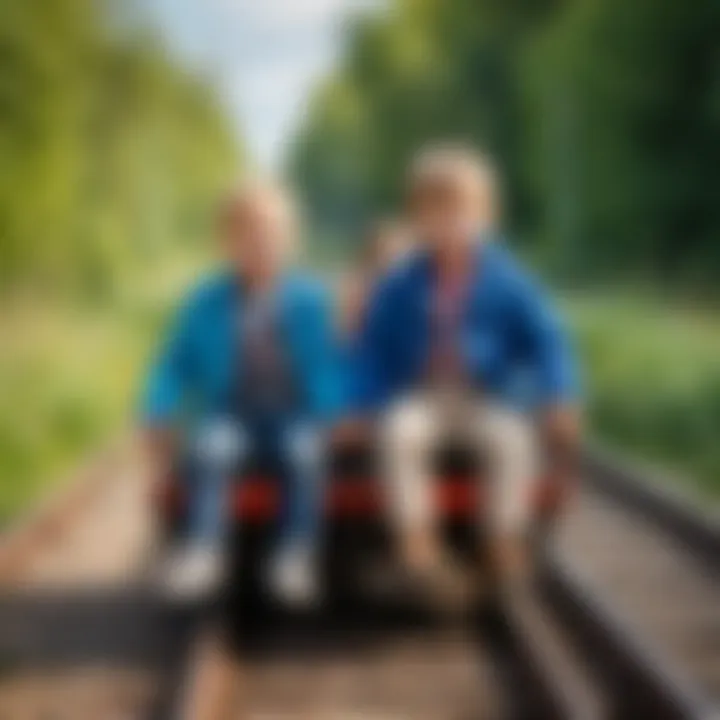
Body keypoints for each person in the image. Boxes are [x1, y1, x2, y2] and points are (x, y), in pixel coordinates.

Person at [347, 143, 581, 601]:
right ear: (417, 220)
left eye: (461, 212)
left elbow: (547, 340)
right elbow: (371, 351)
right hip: (422, 395)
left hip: (485, 396)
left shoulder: (508, 280)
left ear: (486, 217)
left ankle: (501, 537)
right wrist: (359, 405)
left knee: (512, 440)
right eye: (436, 213)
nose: (450, 225)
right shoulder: (400, 283)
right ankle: (416, 539)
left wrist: (559, 394)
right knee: (398, 433)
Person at [140, 178, 339, 602]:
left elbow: (330, 363)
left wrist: (332, 411)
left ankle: (294, 553)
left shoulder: (311, 301)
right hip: (232, 412)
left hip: (291, 412)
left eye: (270, 235)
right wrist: (157, 407)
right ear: (226, 243)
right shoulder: (205, 301)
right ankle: (205, 548)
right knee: (212, 449)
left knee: (305, 453)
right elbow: (174, 364)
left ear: (292, 241)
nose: (259, 245)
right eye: (246, 235)